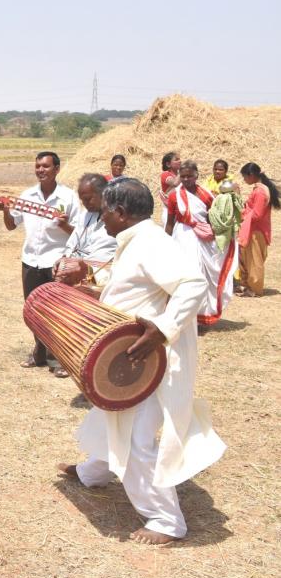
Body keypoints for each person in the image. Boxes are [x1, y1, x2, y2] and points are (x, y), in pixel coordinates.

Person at [57, 178, 225, 545]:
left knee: (135, 436)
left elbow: (193, 284)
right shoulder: (135, 240)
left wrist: (162, 330)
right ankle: (93, 472)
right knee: (112, 416)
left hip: (151, 362)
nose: (101, 218)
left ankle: (166, 521)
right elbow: (134, 290)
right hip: (131, 356)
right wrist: (90, 286)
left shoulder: (151, 243)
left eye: (104, 211)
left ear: (120, 212)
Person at [0, 152, 80, 376]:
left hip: (56, 263)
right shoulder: (27, 196)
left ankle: (58, 359)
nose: (41, 170)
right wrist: (5, 210)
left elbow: (79, 234)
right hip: (31, 261)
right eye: (38, 166)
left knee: (57, 311)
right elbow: (11, 225)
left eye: (46, 166)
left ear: (57, 169)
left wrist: (64, 226)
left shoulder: (68, 197)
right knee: (34, 309)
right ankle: (39, 353)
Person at [165, 161, 236, 326]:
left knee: (202, 276)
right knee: (187, 275)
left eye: (189, 176)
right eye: (183, 176)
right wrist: (165, 243)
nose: (186, 179)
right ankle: (182, 316)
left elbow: (214, 217)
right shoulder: (175, 196)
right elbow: (169, 222)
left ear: (196, 175)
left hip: (203, 240)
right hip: (183, 237)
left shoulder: (206, 194)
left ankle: (199, 317)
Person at [54, 174, 116, 289]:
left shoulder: (116, 222)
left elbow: (100, 260)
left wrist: (78, 266)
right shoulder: (86, 215)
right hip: (76, 279)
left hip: (98, 283)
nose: (85, 204)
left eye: (88, 199)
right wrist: (63, 260)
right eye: (82, 200)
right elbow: (72, 243)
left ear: (103, 194)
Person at [237, 162, 280, 297]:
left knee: (254, 261)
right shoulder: (258, 189)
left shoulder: (260, 192)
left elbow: (257, 214)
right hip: (254, 228)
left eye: (245, 177)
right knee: (248, 258)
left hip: (256, 230)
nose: (244, 180)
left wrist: (242, 213)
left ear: (251, 175)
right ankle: (248, 286)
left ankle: (255, 289)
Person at [159, 152, 181, 223]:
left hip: (179, 210)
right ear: (168, 164)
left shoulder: (180, 176)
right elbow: (175, 183)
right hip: (169, 212)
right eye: (176, 160)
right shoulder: (165, 174)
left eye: (179, 159)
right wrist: (182, 171)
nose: (180, 161)